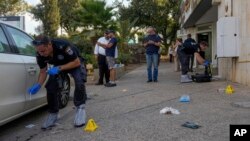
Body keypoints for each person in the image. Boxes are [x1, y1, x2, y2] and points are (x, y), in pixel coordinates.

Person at [28, 35, 87, 129]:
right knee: (50, 86)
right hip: (59, 65)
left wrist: (59, 68)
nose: (41, 54)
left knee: (79, 81)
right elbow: (43, 71)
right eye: (39, 51)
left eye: (43, 51)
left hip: (74, 62)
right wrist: (38, 85)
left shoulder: (63, 46)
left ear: (50, 45)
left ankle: (80, 108)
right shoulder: (39, 54)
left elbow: (76, 62)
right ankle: (53, 113)